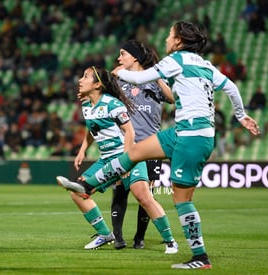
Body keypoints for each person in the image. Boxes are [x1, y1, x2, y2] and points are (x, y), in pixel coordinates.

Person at [57, 21, 260, 270]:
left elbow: (142, 77)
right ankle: (87, 185)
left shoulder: (177, 59)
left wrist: (117, 74)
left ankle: (200, 257)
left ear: (178, 40)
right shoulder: (204, 64)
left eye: (169, 35)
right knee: (134, 152)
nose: (166, 39)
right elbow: (231, 86)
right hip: (183, 132)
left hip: (193, 137)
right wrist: (240, 114)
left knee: (181, 199)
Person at [56, 66, 178, 254]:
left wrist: (126, 160)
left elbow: (130, 131)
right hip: (106, 160)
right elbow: (93, 129)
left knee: (143, 196)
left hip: (128, 156)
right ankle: (105, 234)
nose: (80, 79)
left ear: (97, 84)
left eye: (85, 76)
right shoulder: (86, 105)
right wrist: (82, 151)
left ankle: (170, 241)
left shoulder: (113, 104)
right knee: (78, 193)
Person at [110, 39, 174, 250]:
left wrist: (155, 76)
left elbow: (172, 98)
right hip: (125, 145)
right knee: (120, 189)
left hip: (150, 146)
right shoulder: (119, 80)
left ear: (134, 57)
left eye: (123, 54)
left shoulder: (153, 79)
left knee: (146, 194)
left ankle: (139, 237)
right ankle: (118, 237)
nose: (119, 58)